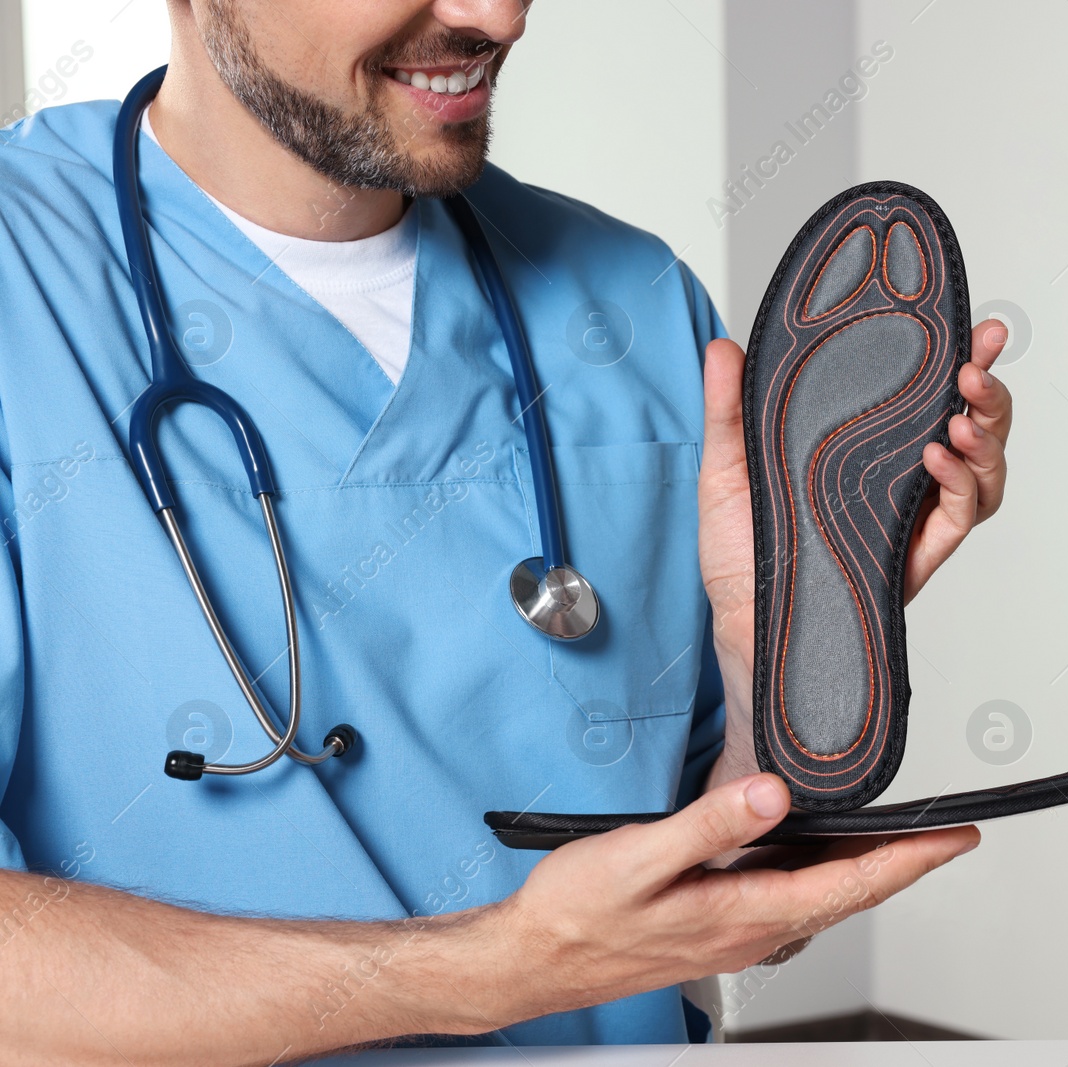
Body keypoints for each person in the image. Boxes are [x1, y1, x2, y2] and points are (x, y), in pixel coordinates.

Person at [0, 1, 1014, 1060]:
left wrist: (782, 662)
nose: (497, 14)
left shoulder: (633, 302)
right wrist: (496, 968)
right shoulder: (27, 276)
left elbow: (702, 888)